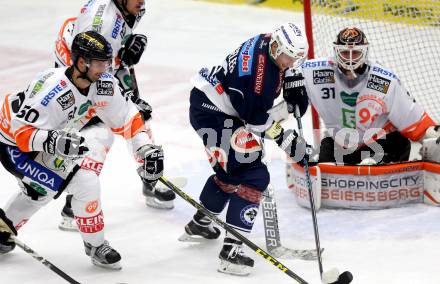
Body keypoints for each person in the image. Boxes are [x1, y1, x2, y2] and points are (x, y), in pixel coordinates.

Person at [0, 31, 164, 269]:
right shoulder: (54, 91)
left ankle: (3, 227)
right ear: (80, 62)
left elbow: (126, 117)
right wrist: (55, 142)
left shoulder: (102, 83)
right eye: (99, 63)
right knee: (82, 182)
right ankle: (96, 246)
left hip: (42, 138)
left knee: (42, 191)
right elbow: (23, 135)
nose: (105, 69)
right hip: (13, 145)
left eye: (108, 63)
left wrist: (144, 147)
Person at [180, 23, 311, 276]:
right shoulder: (260, 78)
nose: (291, 62)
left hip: (215, 103)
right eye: (288, 57)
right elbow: (255, 120)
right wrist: (287, 140)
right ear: (275, 48)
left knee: (231, 172)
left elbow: (257, 107)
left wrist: (293, 88)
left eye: (296, 58)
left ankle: (201, 223)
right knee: (253, 175)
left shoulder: (269, 44)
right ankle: (231, 253)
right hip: (214, 115)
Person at [54, 0, 175, 232]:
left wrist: (125, 52)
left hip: (100, 66)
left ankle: (149, 177)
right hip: (81, 79)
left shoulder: (123, 9)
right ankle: (73, 205)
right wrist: (126, 95)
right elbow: (96, 78)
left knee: (138, 118)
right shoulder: (103, 24)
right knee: (99, 135)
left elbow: (109, 62)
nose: (141, 1)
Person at [284, 27, 438, 165]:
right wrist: (291, 78)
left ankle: (377, 167)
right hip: (340, 144)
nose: (350, 59)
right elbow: (289, 67)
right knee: (325, 163)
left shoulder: (385, 80)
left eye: (355, 53)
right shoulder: (314, 71)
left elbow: (412, 118)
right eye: (345, 53)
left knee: (397, 143)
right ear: (336, 52)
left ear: (365, 52)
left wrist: (434, 139)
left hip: (378, 143)